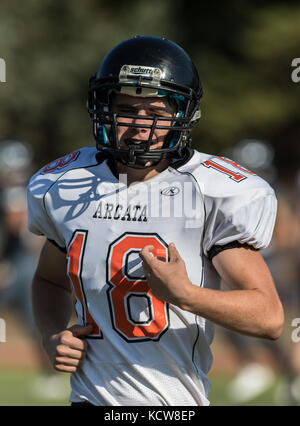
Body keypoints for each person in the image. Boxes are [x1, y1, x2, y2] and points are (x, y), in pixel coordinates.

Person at [27, 35, 284, 406]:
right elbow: (48, 279)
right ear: (105, 109)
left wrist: (186, 295)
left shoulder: (211, 191)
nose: (139, 126)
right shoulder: (67, 185)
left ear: (182, 116)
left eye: (156, 113)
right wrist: (52, 334)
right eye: (128, 109)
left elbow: (270, 317)